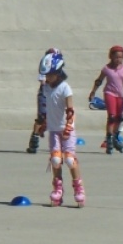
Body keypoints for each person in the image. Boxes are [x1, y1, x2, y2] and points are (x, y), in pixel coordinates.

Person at [40, 52, 85, 207]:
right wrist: (43, 122)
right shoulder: (46, 88)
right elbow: (47, 108)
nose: (47, 78)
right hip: (53, 130)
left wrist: (68, 126)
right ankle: (58, 189)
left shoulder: (65, 88)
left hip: (67, 130)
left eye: (50, 75)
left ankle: (78, 188)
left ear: (58, 73)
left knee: (70, 159)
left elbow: (70, 109)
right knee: (55, 159)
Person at [26, 48, 61, 154]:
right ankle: (34, 140)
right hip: (44, 94)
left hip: (55, 95)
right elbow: (42, 81)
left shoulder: (58, 69)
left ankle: (58, 143)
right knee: (41, 118)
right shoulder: (44, 67)